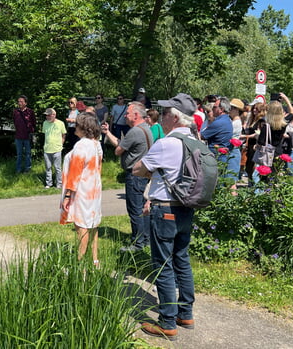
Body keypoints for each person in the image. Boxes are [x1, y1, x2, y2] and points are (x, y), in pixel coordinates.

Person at [132, 93, 199, 341]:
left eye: (164, 113)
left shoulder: (167, 143)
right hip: (186, 208)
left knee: (163, 265)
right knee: (182, 258)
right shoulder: (196, 142)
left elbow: (139, 169)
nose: (161, 117)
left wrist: (152, 169)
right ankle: (186, 313)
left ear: (173, 117)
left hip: (165, 209)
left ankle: (167, 321)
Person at [102, 101, 153, 252]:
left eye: (127, 113)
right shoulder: (145, 129)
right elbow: (123, 145)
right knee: (144, 208)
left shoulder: (135, 131)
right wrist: (108, 133)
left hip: (135, 176)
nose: (125, 116)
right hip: (145, 174)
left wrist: (112, 139)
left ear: (136, 115)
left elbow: (118, 150)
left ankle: (137, 243)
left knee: (135, 209)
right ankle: (146, 239)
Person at [60, 112, 103, 265]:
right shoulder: (95, 144)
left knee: (82, 226)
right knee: (93, 225)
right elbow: (98, 167)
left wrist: (67, 196)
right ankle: (94, 260)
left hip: (82, 192)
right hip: (94, 190)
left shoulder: (81, 146)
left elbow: (74, 173)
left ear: (84, 128)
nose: (74, 127)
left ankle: (80, 265)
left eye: (77, 125)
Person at [42, 108, 66, 189]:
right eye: (46, 115)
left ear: (54, 115)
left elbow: (63, 135)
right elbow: (45, 134)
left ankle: (59, 184)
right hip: (47, 149)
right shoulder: (45, 123)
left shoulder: (60, 123)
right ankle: (49, 184)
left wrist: (61, 145)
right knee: (48, 168)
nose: (47, 117)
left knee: (57, 168)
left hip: (57, 149)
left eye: (49, 115)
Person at [13, 95, 36, 173]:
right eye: (18, 101)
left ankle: (27, 168)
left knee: (28, 153)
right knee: (19, 154)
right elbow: (14, 122)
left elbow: (34, 123)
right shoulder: (15, 112)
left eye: (21, 101)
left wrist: (31, 133)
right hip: (18, 136)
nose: (19, 103)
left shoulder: (30, 112)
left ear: (25, 103)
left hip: (27, 136)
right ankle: (18, 169)